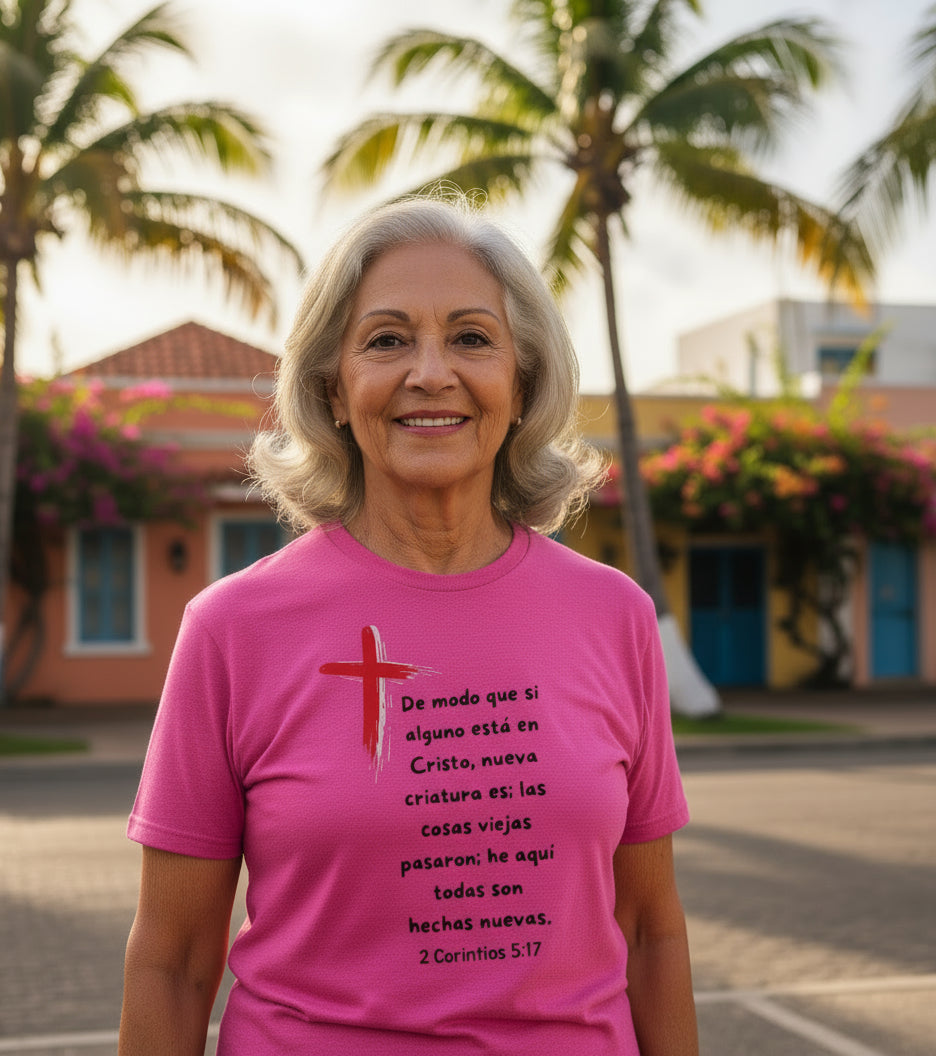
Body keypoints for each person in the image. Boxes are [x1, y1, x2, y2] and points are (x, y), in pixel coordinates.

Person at [119, 195, 698, 1056]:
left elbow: (651, 930)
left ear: (522, 381)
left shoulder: (614, 617)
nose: (432, 373)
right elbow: (172, 963)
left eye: (471, 337)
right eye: (387, 340)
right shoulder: (234, 629)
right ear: (334, 388)